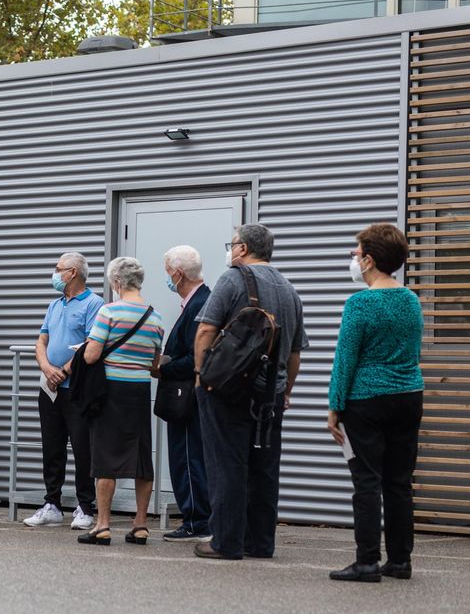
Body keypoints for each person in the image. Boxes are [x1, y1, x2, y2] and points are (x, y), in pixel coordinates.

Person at [193, 223, 308, 560]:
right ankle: (260, 542)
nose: (231, 250)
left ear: (242, 249)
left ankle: (225, 542)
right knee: (264, 466)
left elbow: (205, 330)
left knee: (226, 462)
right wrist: (285, 390)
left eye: (232, 244)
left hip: (228, 388)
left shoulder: (233, 278)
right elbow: (295, 353)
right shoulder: (289, 288)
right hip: (270, 393)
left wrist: (202, 375)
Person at [327, 224, 424, 583]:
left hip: (366, 400)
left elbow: (346, 359)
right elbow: (413, 351)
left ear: (369, 260)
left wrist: (335, 406)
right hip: (409, 395)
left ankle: (366, 560)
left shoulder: (360, 303)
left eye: (355, 253)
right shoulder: (411, 300)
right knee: (399, 482)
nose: (353, 259)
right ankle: (400, 561)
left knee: (366, 481)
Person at [77, 257, 164, 546]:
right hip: (139, 392)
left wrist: (89, 347)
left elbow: (91, 356)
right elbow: (154, 365)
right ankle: (140, 524)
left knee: (105, 458)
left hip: (110, 392)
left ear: (116, 282)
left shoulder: (108, 312)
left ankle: (102, 525)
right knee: (141, 458)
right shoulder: (156, 317)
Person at [24, 252, 104, 530]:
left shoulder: (94, 303)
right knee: (52, 447)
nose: (54, 273)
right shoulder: (55, 304)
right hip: (50, 388)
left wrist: (64, 371)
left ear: (72, 273)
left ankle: (85, 507)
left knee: (83, 449)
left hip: (77, 388)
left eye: (58, 269)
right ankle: (52, 504)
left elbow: (90, 345)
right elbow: (41, 341)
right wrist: (47, 368)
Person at [158, 245, 212, 542]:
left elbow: (195, 358)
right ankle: (198, 518)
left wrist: (162, 367)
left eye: (167, 272)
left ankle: (196, 520)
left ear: (178, 274)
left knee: (188, 457)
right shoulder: (199, 302)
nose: (167, 278)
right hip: (188, 394)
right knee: (188, 457)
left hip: (188, 396)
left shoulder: (200, 304)